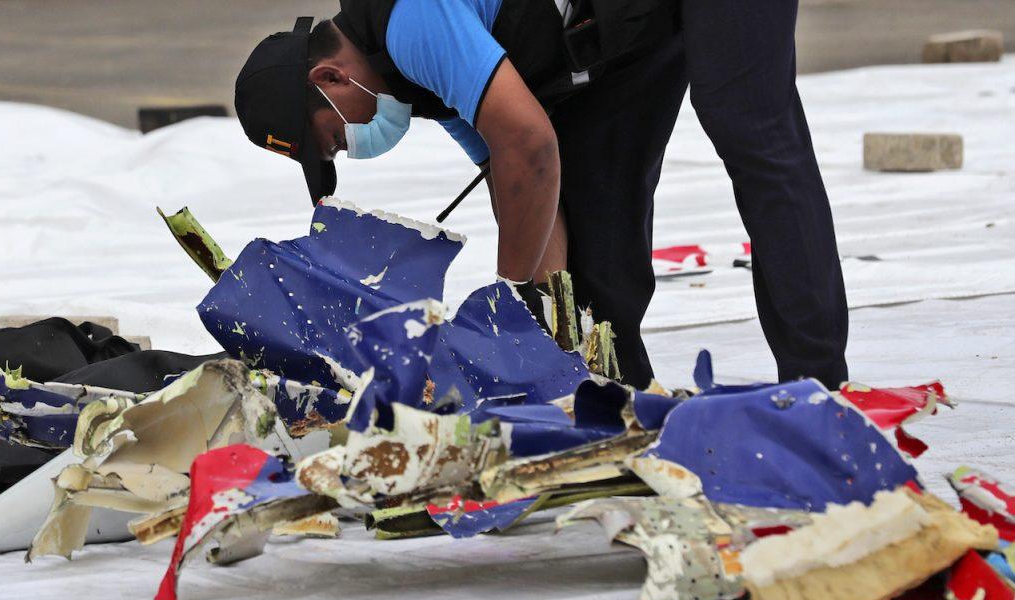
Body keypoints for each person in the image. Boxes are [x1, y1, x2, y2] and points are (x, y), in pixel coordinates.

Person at [235, 0, 848, 390]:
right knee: (597, 203)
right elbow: (522, 185)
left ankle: (817, 388)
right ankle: (615, 396)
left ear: (330, 78)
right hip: (623, 18)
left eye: (334, 139)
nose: (350, 149)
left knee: (749, 128)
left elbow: (530, 148)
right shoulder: (409, 80)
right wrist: (546, 322)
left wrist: (506, 297)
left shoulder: (413, 20)